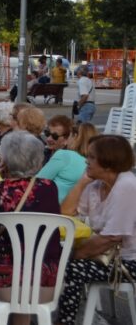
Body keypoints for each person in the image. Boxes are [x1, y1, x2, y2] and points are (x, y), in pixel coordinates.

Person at [0, 131, 61, 324]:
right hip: (47, 283)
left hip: (4, 283)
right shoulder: (50, 188)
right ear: (39, 162)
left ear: (3, 161)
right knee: (23, 286)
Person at [57, 135, 136, 325]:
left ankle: (65, 321)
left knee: (70, 268)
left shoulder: (126, 186)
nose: (86, 160)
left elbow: (112, 237)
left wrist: (76, 254)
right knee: (52, 258)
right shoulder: (97, 184)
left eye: (91, 157)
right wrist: (82, 182)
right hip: (107, 256)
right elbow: (66, 212)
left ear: (108, 163)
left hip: (128, 261)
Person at [36, 115, 87, 203]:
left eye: (55, 136)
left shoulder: (64, 156)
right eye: (47, 133)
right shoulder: (45, 152)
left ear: (67, 139)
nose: (48, 139)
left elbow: (37, 182)